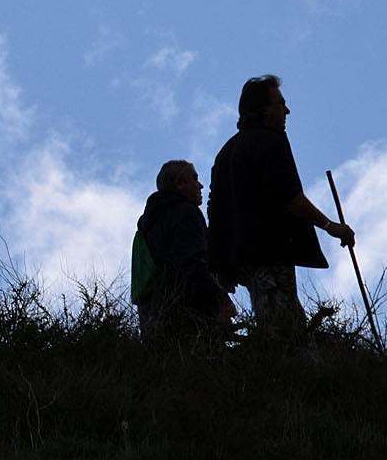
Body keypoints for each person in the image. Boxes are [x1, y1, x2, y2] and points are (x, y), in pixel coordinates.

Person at [207, 75, 353, 343]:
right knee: (283, 330)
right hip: (270, 252)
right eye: (280, 103)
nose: (287, 110)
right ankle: (287, 376)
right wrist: (331, 226)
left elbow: (215, 209)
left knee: (282, 324)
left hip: (242, 257)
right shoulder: (270, 141)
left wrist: (221, 262)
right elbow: (290, 197)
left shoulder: (227, 151)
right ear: (263, 109)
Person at [135, 160, 234, 344]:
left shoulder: (148, 222)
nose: (201, 185)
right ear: (180, 184)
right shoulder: (186, 212)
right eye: (195, 179)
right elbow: (192, 264)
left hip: (153, 314)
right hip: (190, 315)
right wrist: (221, 298)